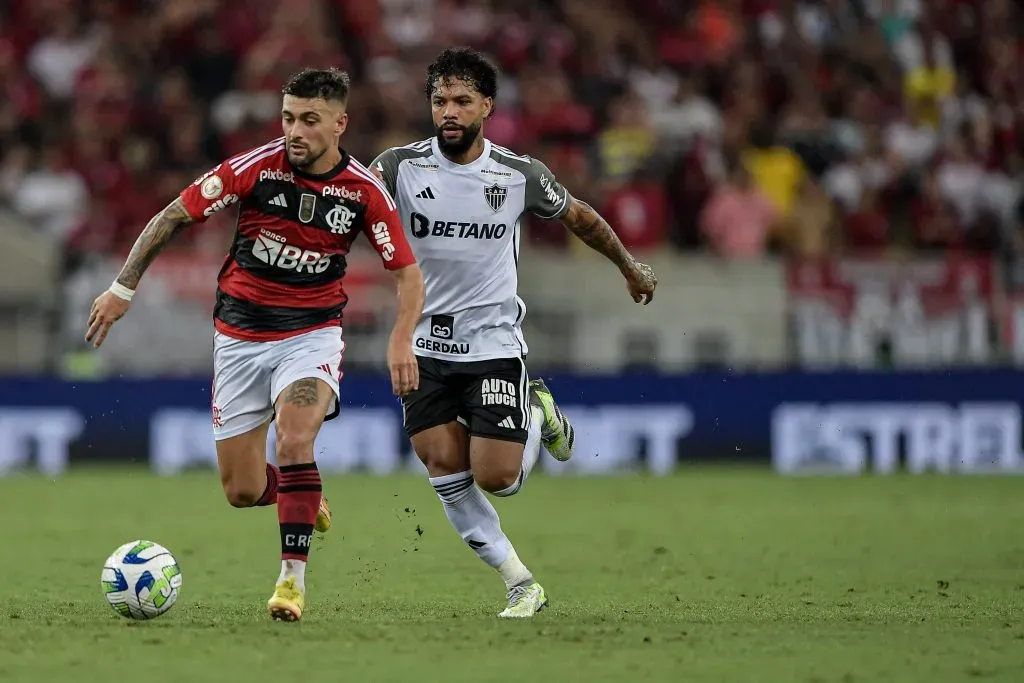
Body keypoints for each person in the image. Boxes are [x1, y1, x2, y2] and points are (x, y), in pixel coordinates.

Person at [85, 68, 425, 622]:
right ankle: (302, 499)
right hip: (240, 338)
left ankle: (291, 580)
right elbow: (174, 216)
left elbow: (408, 275)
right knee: (241, 490)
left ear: (340, 124)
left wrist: (401, 338)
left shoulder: (364, 191)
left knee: (294, 439)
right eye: (288, 117)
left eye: (309, 120)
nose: (295, 130)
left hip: (310, 337)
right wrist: (123, 288)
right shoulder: (255, 168)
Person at [371, 48, 657, 618]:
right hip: (424, 346)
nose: (448, 111)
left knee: (498, 477)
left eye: (460, 101)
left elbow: (581, 217)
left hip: (493, 343)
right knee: (442, 467)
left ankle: (536, 407)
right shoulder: (399, 168)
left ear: (486, 107)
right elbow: (349, 202)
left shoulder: (518, 173)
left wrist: (629, 266)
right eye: (439, 101)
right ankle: (520, 581)